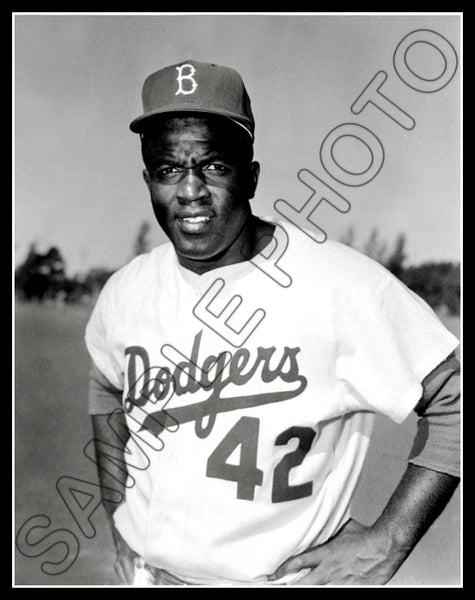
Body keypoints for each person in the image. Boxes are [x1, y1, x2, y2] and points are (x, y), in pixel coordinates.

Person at [85, 59, 460, 586]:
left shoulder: (338, 284)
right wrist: (118, 522)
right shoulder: (126, 291)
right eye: (169, 169)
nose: (190, 191)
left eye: (214, 166)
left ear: (252, 175)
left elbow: (456, 401)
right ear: (148, 179)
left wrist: (391, 538)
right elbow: (106, 390)